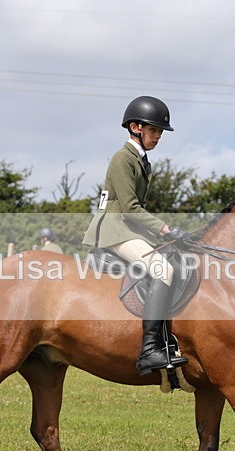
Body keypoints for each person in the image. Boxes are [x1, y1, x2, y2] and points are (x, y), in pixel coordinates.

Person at [82, 95, 188, 377]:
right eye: (153, 130)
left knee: (174, 260)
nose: (157, 137)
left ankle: (167, 340)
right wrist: (165, 229)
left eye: (160, 132)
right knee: (162, 269)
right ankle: (149, 349)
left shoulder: (141, 160)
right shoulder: (122, 159)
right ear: (134, 127)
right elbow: (129, 208)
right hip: (116, 230)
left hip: (129, 228)